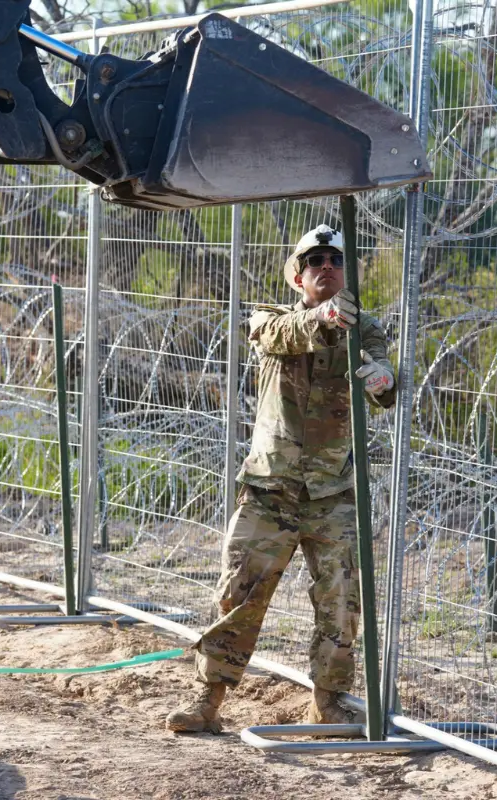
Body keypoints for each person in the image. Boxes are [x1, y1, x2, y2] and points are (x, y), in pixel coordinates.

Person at [166, 223, 397, 734]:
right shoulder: (271, 321)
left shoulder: (367, 327)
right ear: (298, 276)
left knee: (340, 601)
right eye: (316, 262)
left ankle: (328, 702)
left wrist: (382, 380)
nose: (328, 269)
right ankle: (208, 699)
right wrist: (323, 318)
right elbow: (282, 337)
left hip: (332, 491)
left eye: (337, 261)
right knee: (239, 593)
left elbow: (382, 381)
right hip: (271, 489)